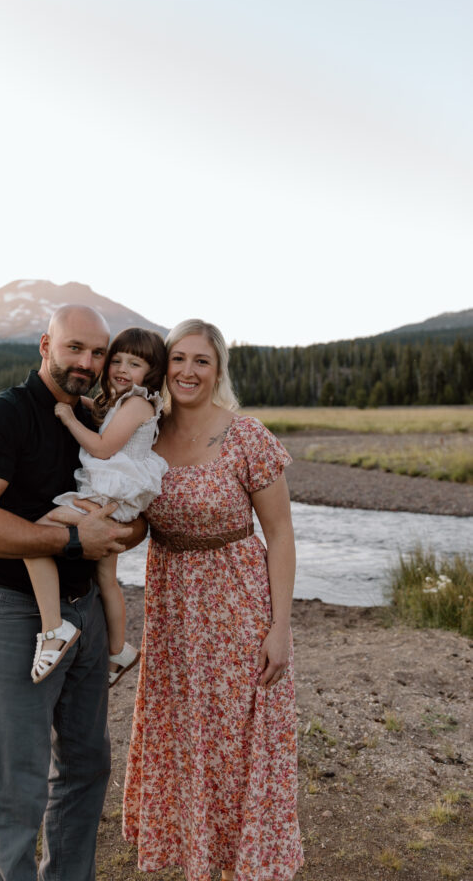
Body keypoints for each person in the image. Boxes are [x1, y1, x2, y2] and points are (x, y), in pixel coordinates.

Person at [0, 304, 147, 881]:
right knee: (18, 781)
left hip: (87, 608)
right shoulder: (2, 416)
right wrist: (73, 540)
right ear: (45, 345)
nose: (86, 362)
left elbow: (128, 510)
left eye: (98, 353)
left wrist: (124, 530)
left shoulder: (98, 419)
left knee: (87, 766)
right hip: (18, 613)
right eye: (74, 348)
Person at [122, 319, 304, 881]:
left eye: (201, 360)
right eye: (178, 358)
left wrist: (280, 628)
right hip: (174, 615)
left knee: (238, 745)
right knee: (186, 739)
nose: (187, 371)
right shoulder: (144, 435)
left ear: (218, 369)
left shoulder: (246, 436)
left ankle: (243, 867)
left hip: (239, 611)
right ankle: (200, 861)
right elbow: (127, 513)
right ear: (164, 366)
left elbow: (280, 535)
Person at [26, 327, 168, 685]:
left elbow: (103, 448)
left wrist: (69, 418)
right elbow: (108, 417)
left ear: (150, 372)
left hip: (108, 498)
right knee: (106, 578)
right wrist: (82, 404)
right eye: (116, 360)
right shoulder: (127, 401)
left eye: (134, 364)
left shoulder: (137, 403)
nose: (121, 369)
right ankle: (118, 650)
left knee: (35, 535)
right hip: (118, 499)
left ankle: (53, 628)